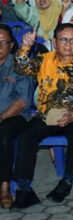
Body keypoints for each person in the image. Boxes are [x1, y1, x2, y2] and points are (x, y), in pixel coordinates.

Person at [12, 24, 73, 208]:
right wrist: (25, 47)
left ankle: (67, 180)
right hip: (47, 115)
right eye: (64, 40)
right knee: (26, 135)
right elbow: (21, 68)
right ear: (54, 42)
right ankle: (24, 187)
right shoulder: (44, 60)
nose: (69, 45)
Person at [0, 24, 35, 209]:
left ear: (11, 45)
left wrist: (2, 116)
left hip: (15, 116)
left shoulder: (19, 65)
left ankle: (4, 187)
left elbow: (23, 101)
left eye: (3, 42)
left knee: (4, 133)